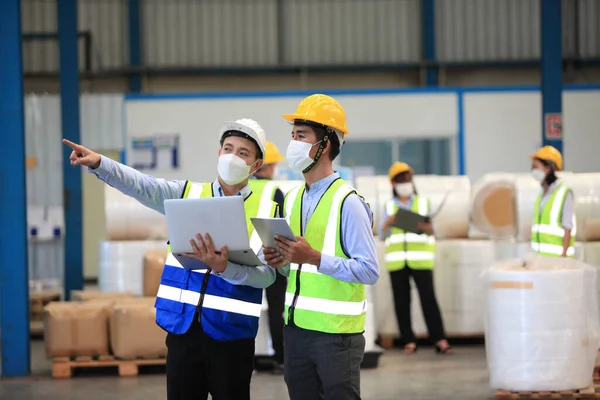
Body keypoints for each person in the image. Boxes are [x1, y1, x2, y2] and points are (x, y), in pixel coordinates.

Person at [63, 118, 278, 400]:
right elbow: (142, 185)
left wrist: (225, 268)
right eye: (228, 148)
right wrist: (100, 163)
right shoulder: (188, 194)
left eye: (243, 153)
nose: (232, 157)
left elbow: (269, 275)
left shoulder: (266, 210)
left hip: (232, 337)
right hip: (183, 332)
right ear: (218, 153)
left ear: (256, 165)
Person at [262, 94, 380, 400]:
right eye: (292, 135)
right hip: (296, 330)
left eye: (301, 136)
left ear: (325, 145)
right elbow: (294, 267)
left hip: (336, 336)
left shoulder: (348, 203)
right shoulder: (291, 199)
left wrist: (315, 258)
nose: (293, 143)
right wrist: (280, 261)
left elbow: (369, 270)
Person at [380, 161, 452, 356]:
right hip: (397, 262)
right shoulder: (388, 206)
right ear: (393, 184)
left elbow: (432, 229)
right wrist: (389, 221)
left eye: (408, 179)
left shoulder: (423, 203)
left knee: (429, 300)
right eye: (401, 180)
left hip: (420, 260)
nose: (405, 183)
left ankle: (439, 339)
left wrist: (422, 226)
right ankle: (409, 341)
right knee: (401, 302)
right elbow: (382, 233)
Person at [248, 141, 287, 374]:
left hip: (245, 259)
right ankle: (280, 359)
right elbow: (279, 228)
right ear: (269, 166)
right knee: (276, 311)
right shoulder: (275, 192)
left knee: (246, 310)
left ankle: (245, 361)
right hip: (271, 258)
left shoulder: (243, 189)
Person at [529, 145, 575, 257]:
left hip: (556, 261)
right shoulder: (542, 193)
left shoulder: (564, 192)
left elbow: (567, 227)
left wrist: (563, 258)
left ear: (548, 168)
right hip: (539, 259)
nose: (533, 170)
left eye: (536, 166)